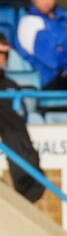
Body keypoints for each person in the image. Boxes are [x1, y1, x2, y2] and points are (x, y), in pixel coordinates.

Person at [0, 33, 44, 203]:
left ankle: (26, 174)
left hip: (14, 140)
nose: (0, 58)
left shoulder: (11, 86)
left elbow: (22, 116)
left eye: (3, 54)